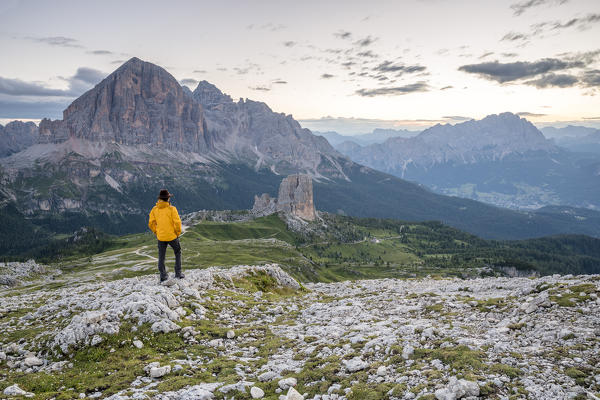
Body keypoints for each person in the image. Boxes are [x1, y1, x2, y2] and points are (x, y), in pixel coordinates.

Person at [148, 189, 184, 282]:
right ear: (168, 198)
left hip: (160, 237)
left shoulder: (154, 209)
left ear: (159, 199)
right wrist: (177, 233)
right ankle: (178, 273)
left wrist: (156, 232)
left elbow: (151, 223)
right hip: (172, 236)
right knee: (177, 252)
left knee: (161, 256)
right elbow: (177, 223)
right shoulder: (172, 209)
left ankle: (163, 276)